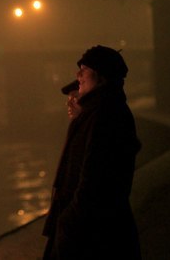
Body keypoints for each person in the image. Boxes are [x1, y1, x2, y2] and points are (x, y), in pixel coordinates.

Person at [43, 45, 141, 259]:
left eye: (84, 69)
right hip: (91, 230)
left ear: (101, 77)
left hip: (92, 236)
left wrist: (68, 221)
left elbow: (94, 183)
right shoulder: (100, 113)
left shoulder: (105, 117)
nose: (78, 75)